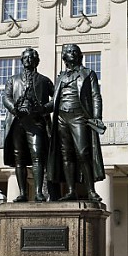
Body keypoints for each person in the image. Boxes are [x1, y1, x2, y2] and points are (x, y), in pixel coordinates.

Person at [47, 43, 105, 202]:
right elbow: (54, 101)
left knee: (83, 152)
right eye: (68, 51)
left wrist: (97, 116)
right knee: (66, 155)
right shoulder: (61, 77)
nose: (71, 53)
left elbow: (96, 96)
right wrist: (40, 109)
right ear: (64, 57)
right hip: (61, 118)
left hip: (79, 116)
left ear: (80, 56)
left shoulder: (88, 73)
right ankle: (71, 190)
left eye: (74, 51)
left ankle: (90, 190)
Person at [2, 48, 54, 202]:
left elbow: (56, 100)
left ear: (37, 61)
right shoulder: (13, 80)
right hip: (17, 121)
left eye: (31, 57)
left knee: (37, 155)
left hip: (36, 122)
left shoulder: (44, 80)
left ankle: (38, 192)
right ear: (22, 60)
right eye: (25, 57)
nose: (28, 60)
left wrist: (43, 108)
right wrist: (14, 108)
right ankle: (22, 193)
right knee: (19, 158)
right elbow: (6, 97)